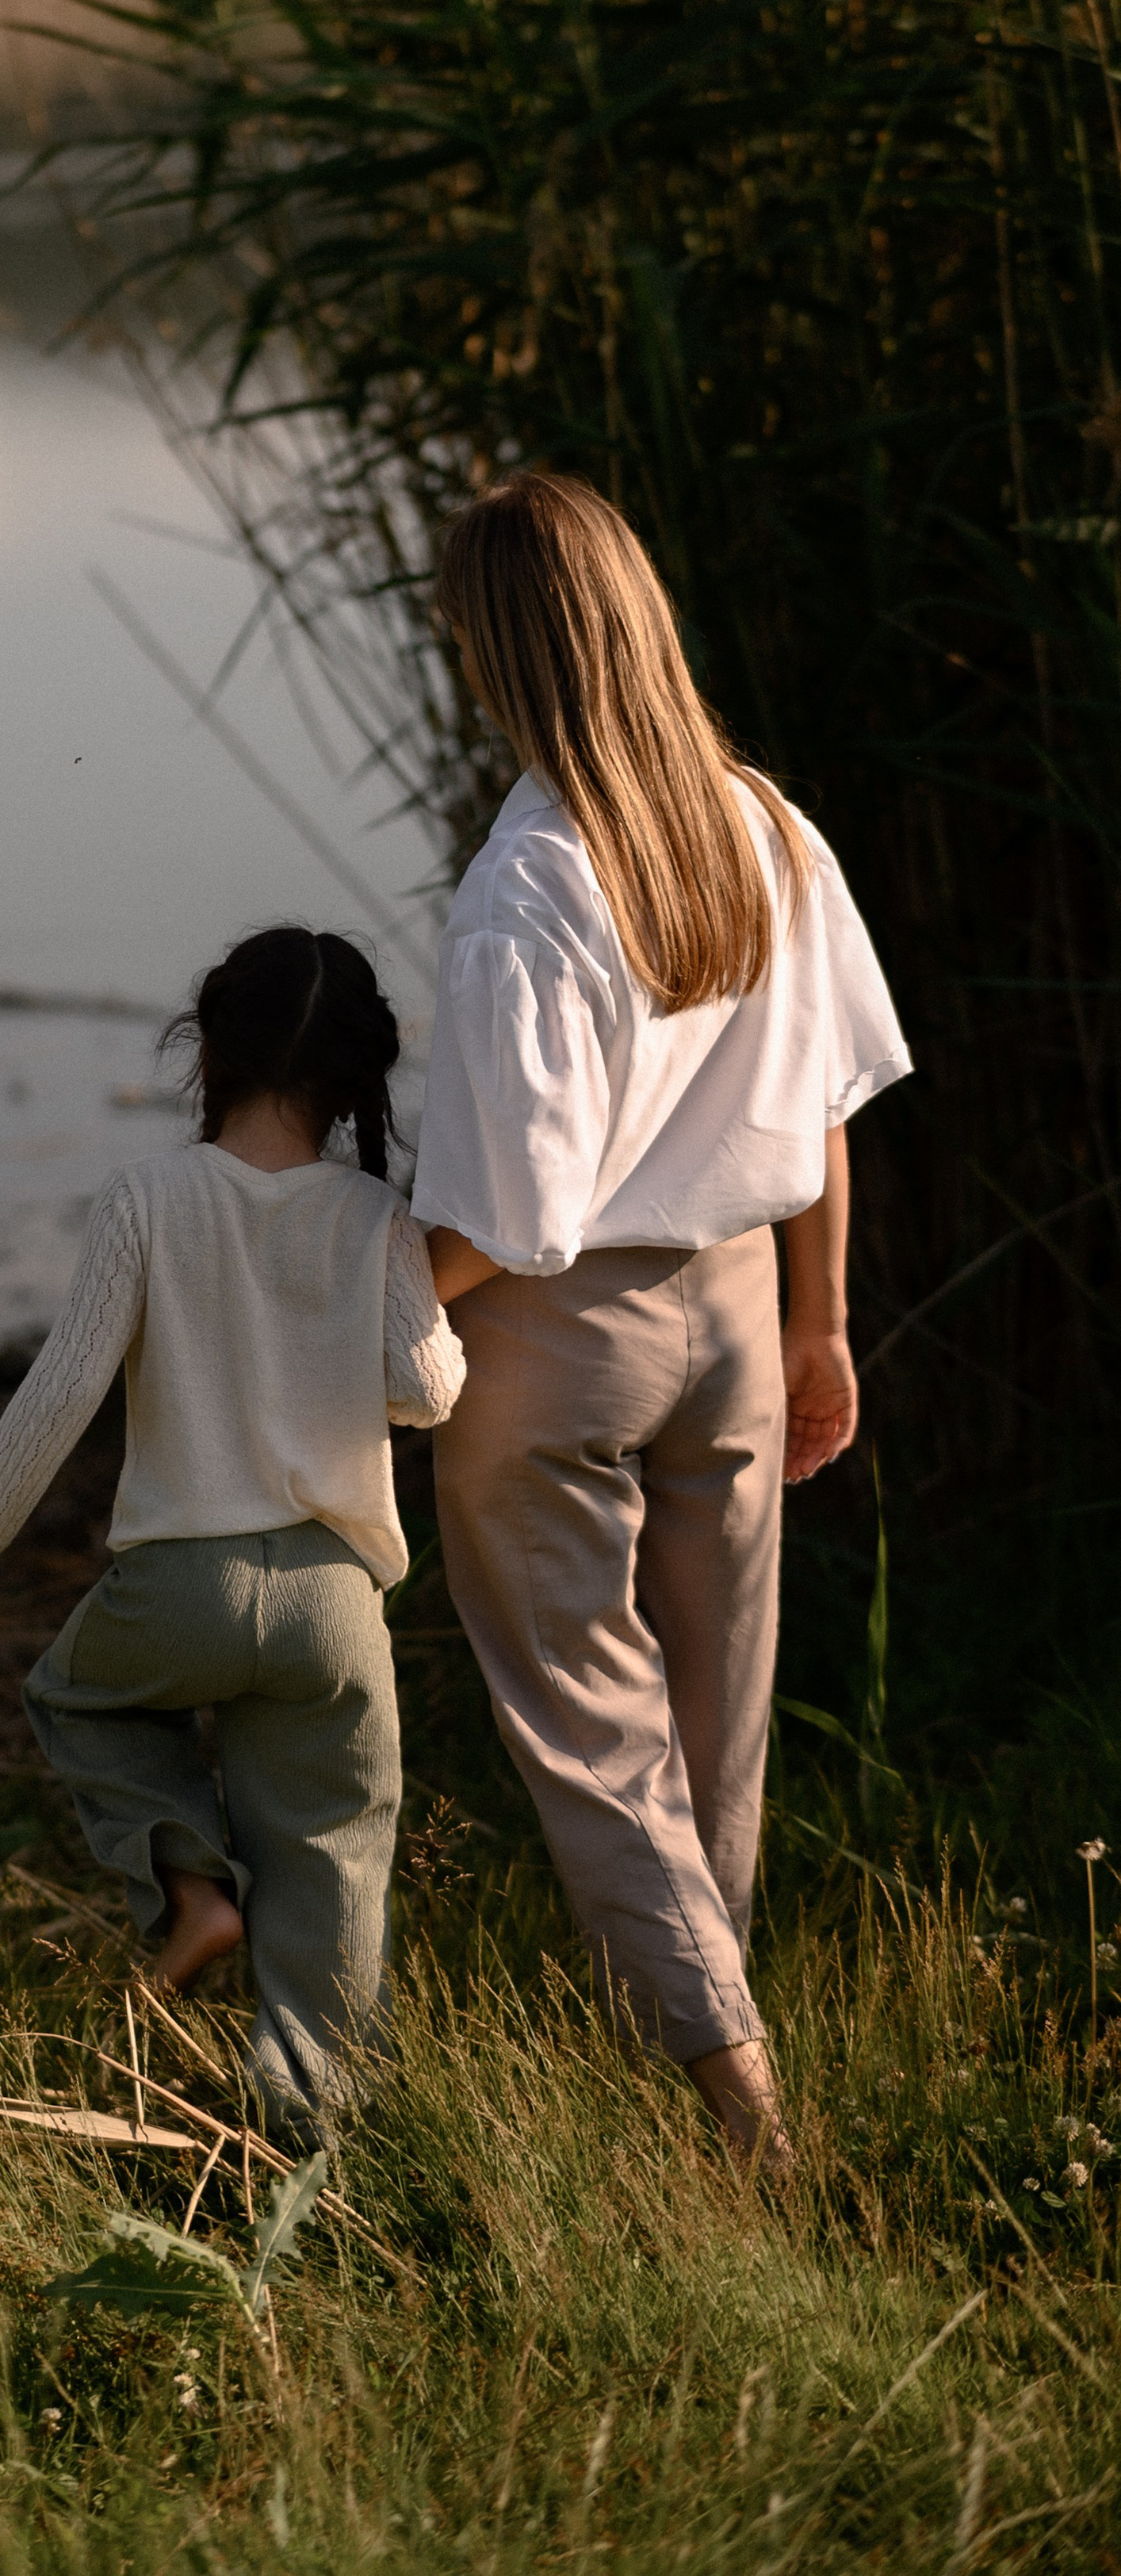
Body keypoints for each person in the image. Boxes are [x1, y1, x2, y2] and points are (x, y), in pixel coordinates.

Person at [413, 472, 910, 2165]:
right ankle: (708, 2050)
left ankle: (738, 2102)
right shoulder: (764, 825)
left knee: (592, 1722)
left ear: (494, 652)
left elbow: (511, 1217)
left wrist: (339, 1315)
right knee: (715, 1725)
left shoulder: (531, 882)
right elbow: (823, 1100)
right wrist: (820, 1323)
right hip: (742, 1313)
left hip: (560, 1342)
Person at [0, 926, 464, 2123]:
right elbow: (428, 1388)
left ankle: (193, 1888)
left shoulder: (147, 1201)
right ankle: (308, 2131)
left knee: (77, 1697)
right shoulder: (378, 1216)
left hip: (178, 1589)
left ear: (206, 1051)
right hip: (332, 1606)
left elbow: (57, 1400)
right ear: (357, 1079)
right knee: (332, 1858)